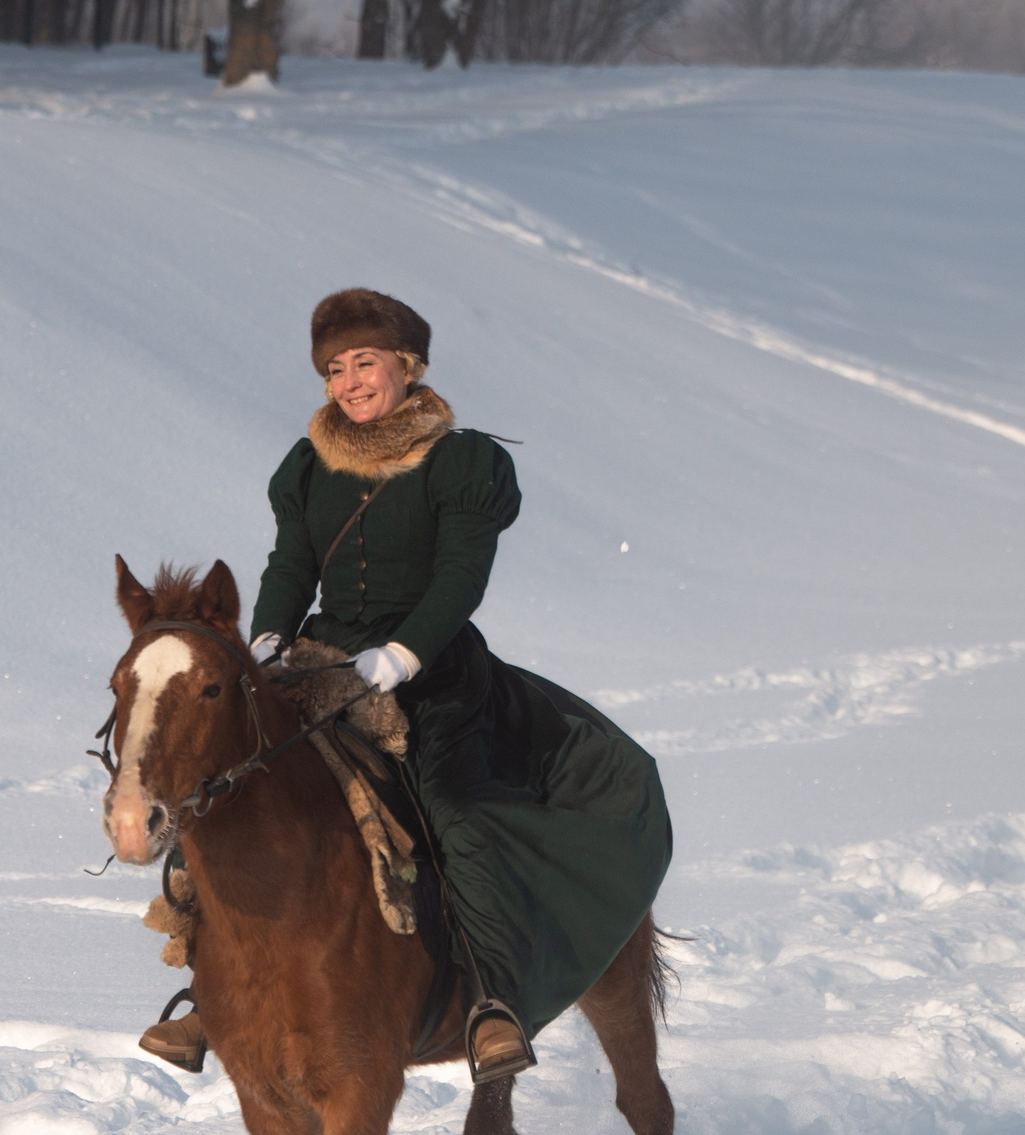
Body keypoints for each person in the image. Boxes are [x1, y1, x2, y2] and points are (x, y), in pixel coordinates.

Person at [141, 288, 674, 1084]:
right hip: (323, 659)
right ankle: (206, 994)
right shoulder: (308, 464)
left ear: (407, 366)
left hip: (437, 673)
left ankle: (492, 1001)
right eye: (334, 369)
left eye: (365, 362)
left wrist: (407, 649)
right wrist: (269, 635)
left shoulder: (460, 464)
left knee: (453, 810)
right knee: (228, 787)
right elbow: (292, 561)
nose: (350, 381)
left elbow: (462, 574)